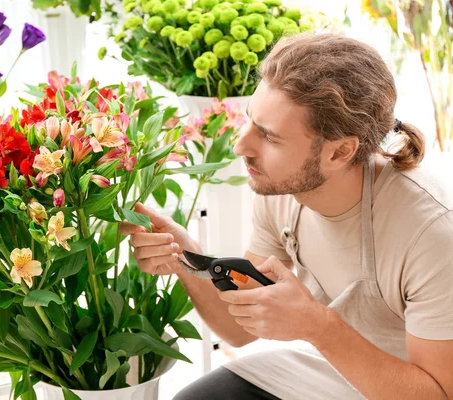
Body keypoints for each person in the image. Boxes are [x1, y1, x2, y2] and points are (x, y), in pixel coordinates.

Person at [120, 33, 453, 400]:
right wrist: (183, 255)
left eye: (269, 137)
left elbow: (436, 394)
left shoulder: (432, 233)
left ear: (340, 152)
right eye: (250, 121)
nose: (239, 146)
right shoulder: (281, 189)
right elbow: (240, 329)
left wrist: (319, 327)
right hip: (333, 366)